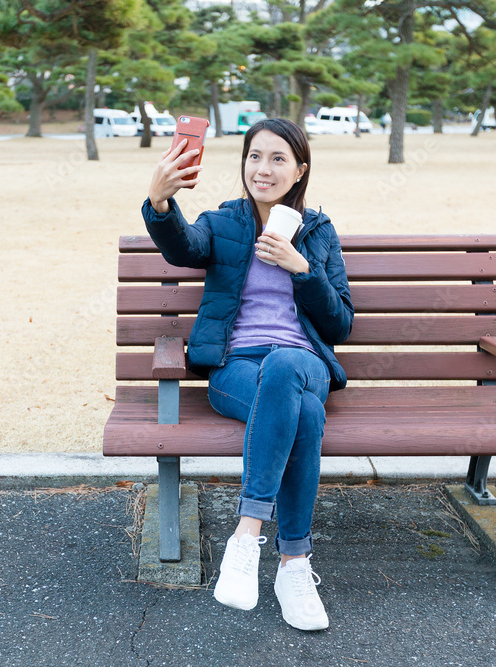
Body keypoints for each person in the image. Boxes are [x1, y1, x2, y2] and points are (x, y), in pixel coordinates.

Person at [141, 118, 354, 631]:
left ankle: (246, 536)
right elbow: (183, 249)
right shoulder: (225, 222)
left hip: (304, 362)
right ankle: (293, 563)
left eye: (278, 159)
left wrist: (303, 269)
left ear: (300, 170)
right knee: (301, 413)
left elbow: (340, 324)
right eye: (255, 156)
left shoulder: (318, 232)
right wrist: (161, 203)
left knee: (286, 366)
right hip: (236, 369)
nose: (264, 168)